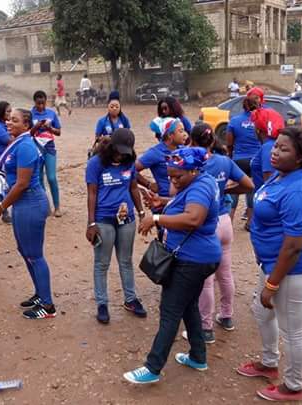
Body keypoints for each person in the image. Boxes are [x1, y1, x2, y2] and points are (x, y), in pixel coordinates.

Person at [236, 127, 302, 402]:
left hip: (293, 270)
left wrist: (272, 284)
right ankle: (269, 362)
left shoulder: (298, 190)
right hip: (273, 265)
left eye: (283, 149)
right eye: (276, 146)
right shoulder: (281, 176)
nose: (274, 152)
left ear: (300, 158)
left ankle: (294, 385)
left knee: (292, 330)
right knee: (262, 313)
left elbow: (294, 245)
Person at [123, 147, 221, 384]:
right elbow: (186, 205)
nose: (173, 180)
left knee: (170, 312)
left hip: (192, 260)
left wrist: (155, 217)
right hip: (199, 257)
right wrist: (164, 202)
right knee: (188, 307)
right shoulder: (201, 182)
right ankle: (198, 356)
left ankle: (152, 368)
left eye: (179, 176)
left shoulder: (201, 186)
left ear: (194, 170)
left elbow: (193, 218)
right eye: (170, 176)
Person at [188, 123, 254, 343]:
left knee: (206, 279)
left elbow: (178, 191)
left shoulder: (194, 164)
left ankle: (205, 327)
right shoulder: (225, 162)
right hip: (224, 221)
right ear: (214, 141)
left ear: (193, 142)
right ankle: (226, 316)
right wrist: (227, 188)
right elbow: (249, 185)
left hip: (206, 224)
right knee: (225, 273)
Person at [0, 108, 56, 319]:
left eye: (14, 120)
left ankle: (48, 305)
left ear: (26, 125)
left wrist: (0, 208)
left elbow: (22, 184)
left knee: (34, 254)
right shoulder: (19, 142)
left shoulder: (25, 145)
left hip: (30, 204)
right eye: (9, 119)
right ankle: (40, 294)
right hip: (22, 205)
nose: (9, 123)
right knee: (25, 251)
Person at [85, 129, 146, 324]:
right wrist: (91, 223)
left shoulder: (129, 162)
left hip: (126, 219)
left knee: (126, 261)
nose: (121, 154)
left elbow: (134, 187)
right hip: (103, 219)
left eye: (125, 151)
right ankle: (102, 303)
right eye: (118, 150)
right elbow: (92, 194)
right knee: (102, 263)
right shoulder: (95, 164)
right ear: (111, 146)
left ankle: (130, 299)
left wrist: (142, 213)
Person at [227, 97, 262, 224]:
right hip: (256, 160)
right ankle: (250, 222)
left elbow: (229, 143)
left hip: (239, 160)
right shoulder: (259, 121)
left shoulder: (234, 121)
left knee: (234, 188)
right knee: (252, 188)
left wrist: (230, 157)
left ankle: (229, 220)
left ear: (243, 106)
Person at [136, 117, 187, 198]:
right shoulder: (155, 153)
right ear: (170, 135)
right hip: (163, 202)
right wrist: (148, 184)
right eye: (181, 131)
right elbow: (131, 169)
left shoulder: (184, 150)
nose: (185, 134)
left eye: (184, 130)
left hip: (183, 198)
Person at [30, 90, 63, 217]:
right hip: (35, 149)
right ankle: (46, 206)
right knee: (39, 179)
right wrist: (36, 126)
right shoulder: (29, 114)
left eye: (43, 103)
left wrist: (50, 128)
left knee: (52, 178)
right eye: (38, 104)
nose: (41, 106)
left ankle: (57, 207)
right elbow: (27, 133)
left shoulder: (51, 113)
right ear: (35, 102)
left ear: (45, 101)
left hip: (49, 148)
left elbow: (59, 132)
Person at [250, 107, 285, 193]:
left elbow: (270, 179)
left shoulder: (268, 147)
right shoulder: (271, 144)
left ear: (259, 129)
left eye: (254, 125)